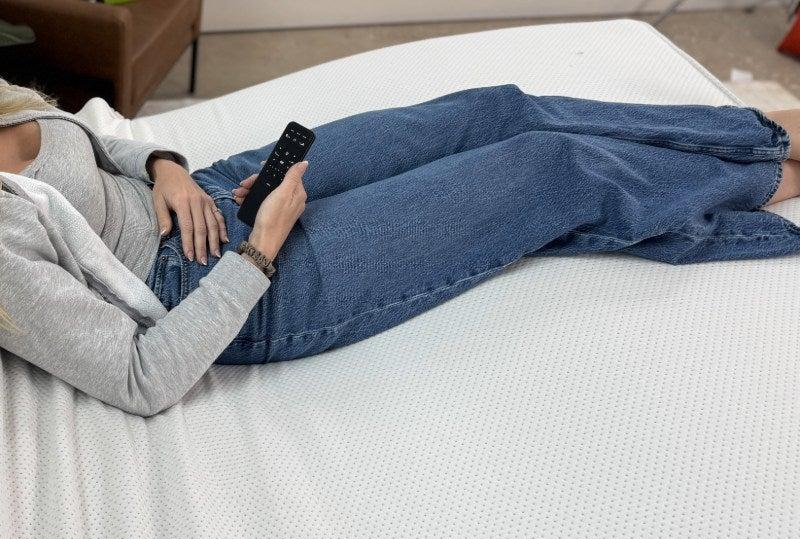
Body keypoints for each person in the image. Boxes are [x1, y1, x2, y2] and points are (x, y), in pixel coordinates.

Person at [2, 80, 800, 417]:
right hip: (220, 287)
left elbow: (102, 138)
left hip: (210, 189)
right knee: (546, 171)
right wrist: (262, 248)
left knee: (496, 111)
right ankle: (769, 184)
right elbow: (142, 379)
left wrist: (167, 167)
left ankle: (759, 136)